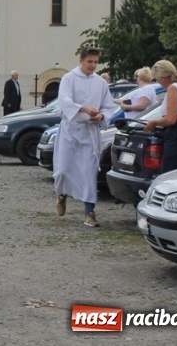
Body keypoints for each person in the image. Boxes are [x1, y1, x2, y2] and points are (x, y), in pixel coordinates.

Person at [53, 48, 117, 228]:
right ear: (81, 60)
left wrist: (101, 116)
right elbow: (64, 101)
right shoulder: (69, 79)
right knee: (63, 169)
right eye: (89, 62)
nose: (93, 65)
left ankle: (89, 212)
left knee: (89, 172)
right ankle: (61, 195)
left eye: (96, 62)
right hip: (71, 130)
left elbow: (108, 106)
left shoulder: (100, 83)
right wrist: (83, 109)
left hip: (89, 132)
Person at [144, 60, 177, 172]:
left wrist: (154, 122)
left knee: (170, 173)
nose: (158, 82)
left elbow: (170, 119)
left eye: (157, 79)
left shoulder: (173, 88)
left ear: (163, 77)